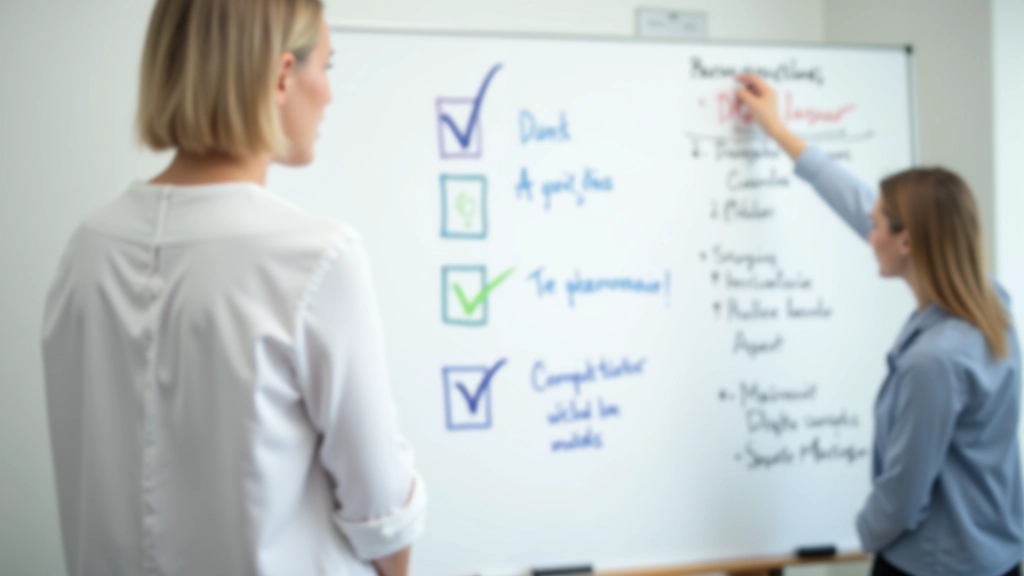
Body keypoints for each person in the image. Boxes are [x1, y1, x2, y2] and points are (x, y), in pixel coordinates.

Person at [41, 1, 424, 575]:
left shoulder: (87, 251)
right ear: (282, 76)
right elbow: (383, 515)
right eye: (326, 66)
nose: (328, 94)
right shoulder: (317, 259)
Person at [735, 73, 1023, 576]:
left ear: (907, 242)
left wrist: (867, 534)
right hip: (994, 557)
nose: (869, 235)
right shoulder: (989, 300)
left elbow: (903, 496)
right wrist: (778, 131)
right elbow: (861, 203)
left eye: (877, 226)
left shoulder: (935, 361)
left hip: (933, 566)